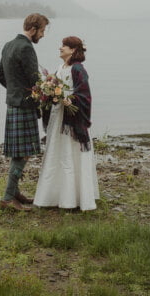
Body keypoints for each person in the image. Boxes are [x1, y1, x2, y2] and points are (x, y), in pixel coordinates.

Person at [33, 36, 99, 211]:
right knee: (56, 152)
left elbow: (84, 94)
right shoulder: (61, 67)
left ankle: (74, 199)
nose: (60, 48)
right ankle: (54, 196)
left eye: (64, 46)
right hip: (58, 116)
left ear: (73, 50)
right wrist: (46, 92)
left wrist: (70, 100)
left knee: (71, 155)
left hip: (72, 119)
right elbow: (54, 88)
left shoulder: (78, 69)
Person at [0, 12, 50, 211]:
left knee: (18, 152)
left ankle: (15, 193)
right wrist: (42, 95)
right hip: (24, 105)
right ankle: (9, 198)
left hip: (12, 104)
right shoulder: (26, 48)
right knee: (23, 153)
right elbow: (35, 81)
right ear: (33, 29)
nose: (43, 35)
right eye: (42, 31)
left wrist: (14, 91)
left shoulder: (8, 45)